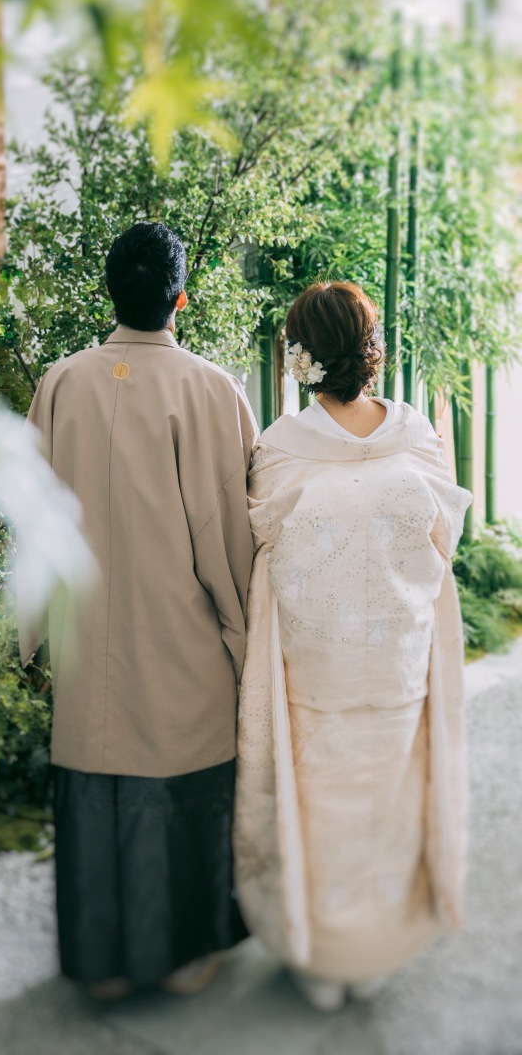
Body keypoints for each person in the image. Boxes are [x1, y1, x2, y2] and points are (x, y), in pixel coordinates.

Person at [20, 221, 258, 999]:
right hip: (180, 636)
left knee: (97, 785)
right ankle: (180, 958)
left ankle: (101, 964)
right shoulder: (211, 389)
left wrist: (30, 635)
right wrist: (245, 637)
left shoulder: (60, 382)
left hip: (86, 633)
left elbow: (31, 519)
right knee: (180, 787)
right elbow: (228, 532)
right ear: (180, 299)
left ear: (111, 294)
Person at [234, 281, 471, 1012]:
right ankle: (368, 952)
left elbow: (261, 540)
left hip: (316, 666)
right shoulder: (415, 439)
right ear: (371, 350)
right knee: (387, 804)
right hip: (398, 658)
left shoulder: (280, 448)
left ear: (299, 355)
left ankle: (326, 955)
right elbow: (445, 538)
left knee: (321, 812)